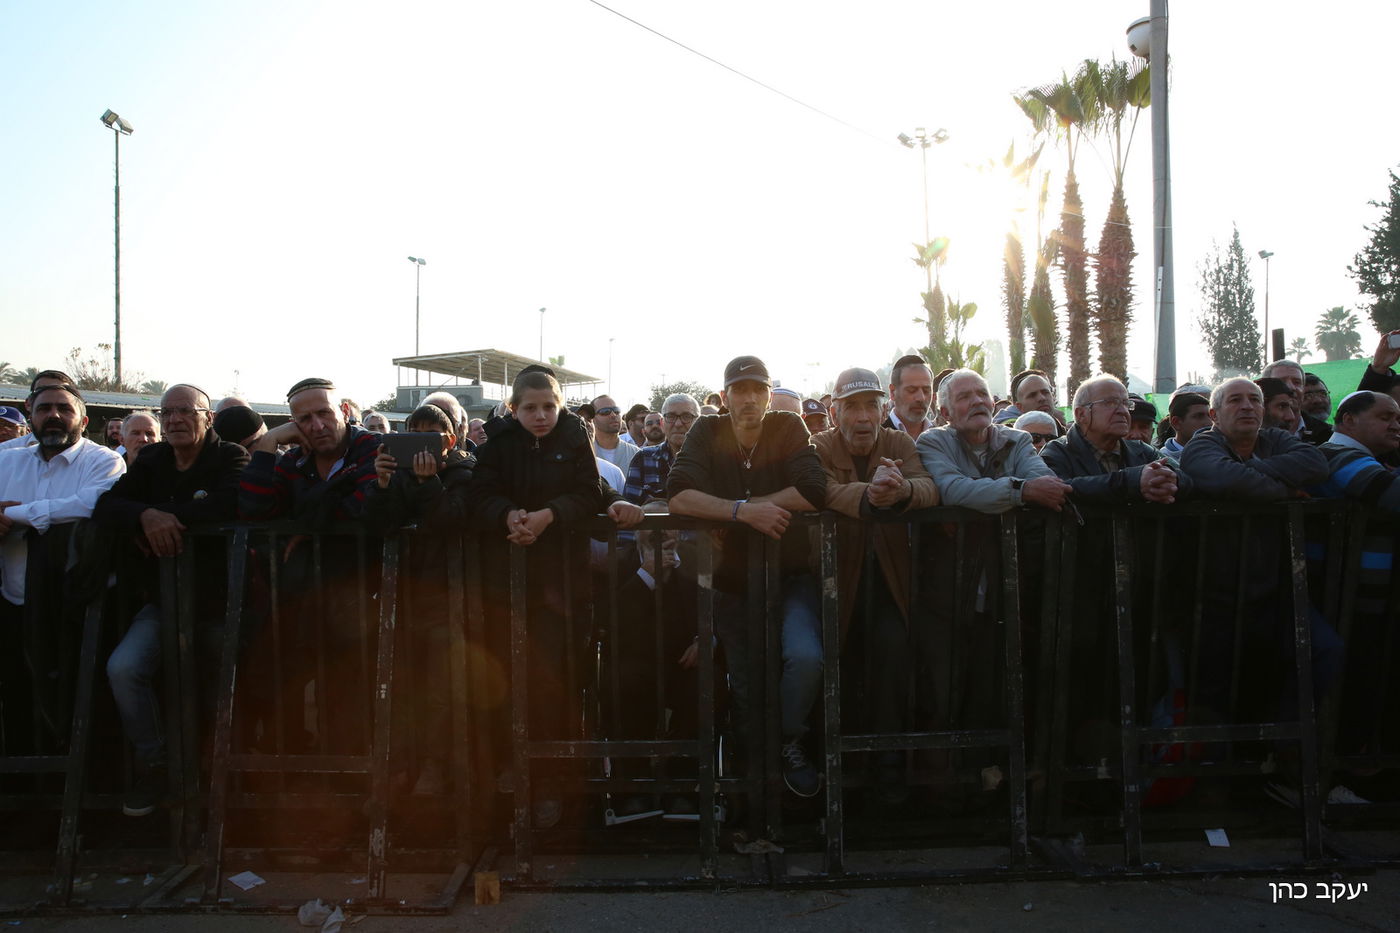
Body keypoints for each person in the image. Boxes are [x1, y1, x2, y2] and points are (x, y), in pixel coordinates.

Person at [470, 371, 643, 827]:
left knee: (561, 682)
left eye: (549, 406)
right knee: (506, 679)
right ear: (514, 409)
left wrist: (549, 516)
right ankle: (512, 777)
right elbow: (480, 494)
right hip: (508, 581)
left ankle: (554, 785)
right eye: (531, 408)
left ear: (560, 405)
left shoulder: (573, 433)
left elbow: (589, 490)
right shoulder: (499, 441)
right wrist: (508, 516)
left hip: (564, 583)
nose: (541, 416)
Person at [667, 355, 828, 797]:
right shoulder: (707, 429)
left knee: (805, 657)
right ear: (725, 397)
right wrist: (743, 512)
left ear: (769, 393)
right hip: (732, 581)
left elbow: (815, 489)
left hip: (790, 574)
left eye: (758, 389)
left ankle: (787, 741)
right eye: (740, 390)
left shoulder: (787, 426)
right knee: (745, 680)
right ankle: (751, 781)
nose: (750, 398)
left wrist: (749, 507)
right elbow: (678, 492)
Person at [92, 384, 248, 816]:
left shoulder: (230, 455)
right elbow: (107, 505)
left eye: (186, 411)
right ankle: (158, 764)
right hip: (163, 600)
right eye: (168, 413)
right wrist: (145, 516)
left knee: (224, 687)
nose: (176, 419)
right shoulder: (153, 460)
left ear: (207, 417)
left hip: (223, 603)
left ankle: (228, 782)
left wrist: (163, 516)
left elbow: (231, 504)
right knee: (123, 669)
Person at [1181, 378, 1340, 729]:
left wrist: (1248, 476)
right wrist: (1282, 488)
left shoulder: (1276, 439)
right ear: (1214, 414)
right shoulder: (1202, 444)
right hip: (1215, 594)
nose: (1247, 406)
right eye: (1235, 400)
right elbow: (1220, 476)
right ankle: (1220, 773)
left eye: (1254, 399)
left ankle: (1283, 758)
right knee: (1218, 689)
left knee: (1322, 651)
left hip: (1277, 589)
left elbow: (1315, 465)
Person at [812, 367, 938, 802]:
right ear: (834, 412)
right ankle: (838, 767)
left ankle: (886, 765)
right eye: (852, 407)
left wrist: (901, 490)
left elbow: (929, 485)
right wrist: (869, 495)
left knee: (891, 660)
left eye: (870, 405)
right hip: (833, 581)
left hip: (889, 581)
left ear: (884, 408)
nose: (863, 417)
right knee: (837, 666)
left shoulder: (901, 443)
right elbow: (819, 489)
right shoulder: (819, 445)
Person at [0, 383, 124, 755]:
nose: (53, 415)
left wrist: (15, 515)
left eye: (63, 409)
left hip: (78, 605)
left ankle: (81, 784)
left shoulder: (104, 461)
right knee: (18, 693)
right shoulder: (7, 462)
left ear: (83, 420)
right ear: (31, 418)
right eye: (44, 409)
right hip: (15, 598)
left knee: (78, 694)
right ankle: (25, 787)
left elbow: (90, 505)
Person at [364, 402, 476, 796]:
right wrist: (379, 485)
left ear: (448, 440)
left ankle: (436, 768)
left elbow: (452, 519)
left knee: (441, 689)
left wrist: (430, 484)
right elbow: (379, 523)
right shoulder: (394, 476)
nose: (421, 449)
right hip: (403, 595)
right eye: (413, 437)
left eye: (430, 438)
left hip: (448, 595)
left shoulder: (464, 471)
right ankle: (400, 768)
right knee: (398, 688)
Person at [917, 369, 1069, 514]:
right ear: (946, 413)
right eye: (964, 397)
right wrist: (1022, 490)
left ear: (992, 404)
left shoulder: (1018, 440)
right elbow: (951, 490)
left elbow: (1045, 485)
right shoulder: (933, 442)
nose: (977, 401)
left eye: (983, 394)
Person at [1041, 375, 1189, 505]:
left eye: (1125, 404)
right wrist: (1131, 482)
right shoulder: (1057, 451)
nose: (1122, 411)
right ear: (1081, 414)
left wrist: (1170, 481)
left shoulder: (1141, 450)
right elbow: (1059, 489)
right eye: (1109, 403)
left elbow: (1186, 478)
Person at [623, 393, 699, 506]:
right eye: (671, 417)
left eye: (686, 416)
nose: (678, 424)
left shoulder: (712, 460)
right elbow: (629, 510)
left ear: (698, 421)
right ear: (663, 423)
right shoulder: (643, 458)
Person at [1260, 359, 1331, 445]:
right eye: (1281, 382)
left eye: (1297, 382)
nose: (1291, 387)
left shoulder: (1327, 434)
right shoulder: (1250, 431)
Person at [883, 355, 934, 442]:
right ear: (892, 392)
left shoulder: (942, 439)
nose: (921, 398)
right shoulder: (878, 439)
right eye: (912, 390)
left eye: (926, 390)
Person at [996, 369, 1064, 433]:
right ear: (1019, 407)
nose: (1042, 398)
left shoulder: (1066, 435)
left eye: (1045, 392)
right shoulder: (1007, 437)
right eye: (1032, 395)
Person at [590, 394, 639, 475]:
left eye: (616, 411)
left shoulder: (636, 454)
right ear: (593, 419)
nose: (613, 415)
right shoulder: (584, 453)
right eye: (605, 412)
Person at [1161, 392, 1211, 458]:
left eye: (1210, 416)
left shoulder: (1221, 453)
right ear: (1176, 422)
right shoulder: (1161, 461)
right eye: (1199, 416)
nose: (1210, 423)